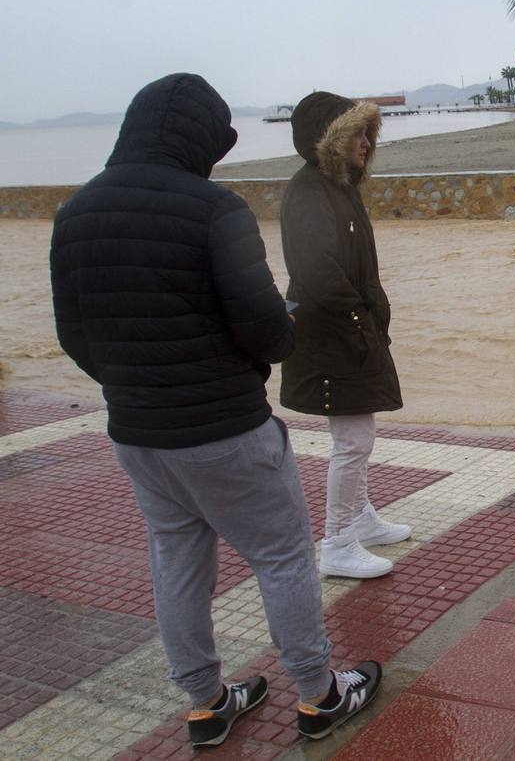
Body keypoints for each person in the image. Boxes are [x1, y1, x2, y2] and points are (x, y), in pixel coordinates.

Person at [50, 74, 382, 748]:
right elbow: (264, 326)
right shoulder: (214, 211)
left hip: (138, 436)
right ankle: (320, 695)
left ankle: (206, 702)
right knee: (283, 556)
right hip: (227, 429)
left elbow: (74, 335)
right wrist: (274, 347)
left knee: (176, 560)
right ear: (197, 139)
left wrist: (134, 385)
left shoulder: (74, 213)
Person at [281, 91, 409, 579]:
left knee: (359, 433)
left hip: (349, 329)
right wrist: (359, 319)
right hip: (332, 333)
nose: (366, 142)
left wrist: (371, 317)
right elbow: (317, 272)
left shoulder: (338, 187)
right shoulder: (308, 192)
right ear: (329, 140)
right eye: (357, 133)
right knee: (352, 440)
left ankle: (359, 518)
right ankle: (337, 542)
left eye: (368, 133)